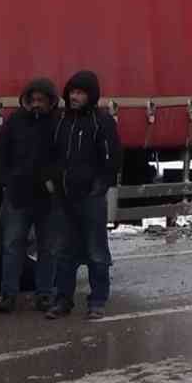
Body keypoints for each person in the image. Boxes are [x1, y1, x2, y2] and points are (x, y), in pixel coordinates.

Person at [47, 70, 121, 320]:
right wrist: (51, 180)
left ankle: (97, 300)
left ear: (90, 95)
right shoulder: (60, 121)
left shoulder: (102, 122)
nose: (74, 97)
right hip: (64, 196)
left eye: (80, 93)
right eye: (72, 92)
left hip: (90, 197)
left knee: (96, 251)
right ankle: (62, 300)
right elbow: (50, 154)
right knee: (63, 250)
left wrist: (100, 185)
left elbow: (112, 159)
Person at [0, 78, 60, 313]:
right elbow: (1, 151)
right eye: (33, 100)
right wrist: (6, 180)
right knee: (12, 245)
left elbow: (65, 156)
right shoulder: (16, 121)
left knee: (48, 248)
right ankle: (8, 295)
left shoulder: (58, 123)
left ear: (51, 101)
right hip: (18, 195)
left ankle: (44, 295)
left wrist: (54, 181)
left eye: (41, 100)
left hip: (48, 198)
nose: (36, 104)